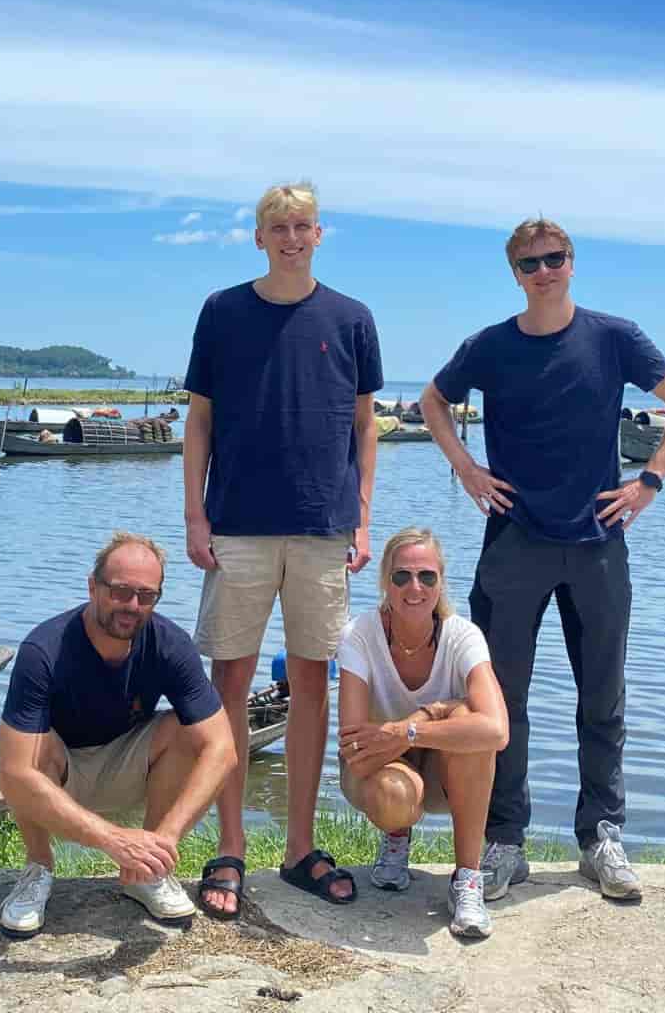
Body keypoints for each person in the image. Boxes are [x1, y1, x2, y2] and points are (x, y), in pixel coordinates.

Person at [420, 217, 665, 905]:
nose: (543, 271)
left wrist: (650, 482)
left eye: (553, 259)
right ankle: (505, 842)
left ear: (572, 264)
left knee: (601, 695)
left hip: (598, 545)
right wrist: (465, 467)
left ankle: (600, 836)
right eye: (529, 263)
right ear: (514, 274)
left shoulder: (613, 338)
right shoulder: (490, 346)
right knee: (501, 700)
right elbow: (433, 399)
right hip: (514, 542)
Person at [182, 181, 383, 919]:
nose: (291, 237)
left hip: (323, 528)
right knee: (226, 686)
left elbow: (365, 427)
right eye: (278, 227)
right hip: (235, 525)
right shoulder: (222, 312)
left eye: (302, 226)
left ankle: (298, 846)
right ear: (259, 237)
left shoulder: (352, 318)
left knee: (313, 688)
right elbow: (198, 421)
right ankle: (230, 844)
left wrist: (363, 519)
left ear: (319, 234)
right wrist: (195, 518)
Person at [0, 533, 236, 939]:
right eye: (121, 591)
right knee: (25, 754)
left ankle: (148, 873)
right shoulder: (43, 649)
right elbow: (15, 774)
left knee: (189, 732)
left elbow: (224, 750)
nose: (133, 606)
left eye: (146, 595)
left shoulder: (170, 644)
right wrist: (114, 841)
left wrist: (162, 843)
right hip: (60, 772)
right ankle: (38, 867)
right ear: (93, 586)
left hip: (128, 763)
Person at [336, 526, 508, 940]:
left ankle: (467, 879)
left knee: (475, 732)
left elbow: (496, 730)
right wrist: (440, 719)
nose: (415, 587)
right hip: (377, 772)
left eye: (426, 576)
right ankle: (395, 840)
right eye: (402, 577)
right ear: (385, 582)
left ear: (441, 581)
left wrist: (413, 727)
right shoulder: (359, 634)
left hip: (440, 772)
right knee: (398, 793)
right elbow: (354, 746)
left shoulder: (463, 636)